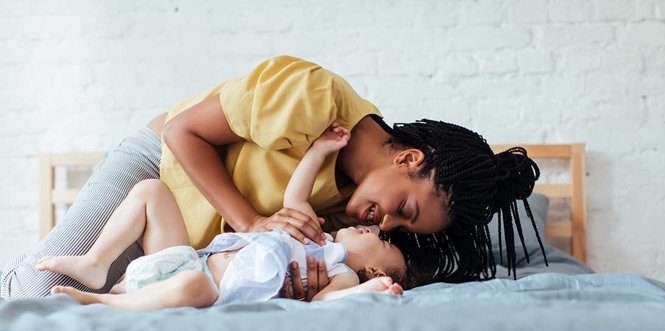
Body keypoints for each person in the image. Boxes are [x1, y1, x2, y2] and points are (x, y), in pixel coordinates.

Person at [2, 55, 544, 301]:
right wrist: (252, 221)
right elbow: (184, 130)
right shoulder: (313, 97)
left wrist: (303, 286)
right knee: (37, 289)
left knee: (83, 299)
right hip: (160, 171)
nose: (387, 225)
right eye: (404, 210)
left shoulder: (353, 217)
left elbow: (313, 264)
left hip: (188, 254)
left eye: (402, 230)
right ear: (409, 159)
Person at [35, 122, 413, 310]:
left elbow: (325, 306)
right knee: (152, 192)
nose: (374, 227)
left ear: (374, 271)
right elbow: (295, 196)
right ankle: (96, 262)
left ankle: (106, 305)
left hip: (195, 288)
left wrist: (368, 291)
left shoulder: (341, 272)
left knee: (196, 288)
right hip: (181, 258)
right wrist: (318, 151)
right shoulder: (314, 234)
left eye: (380, 240)